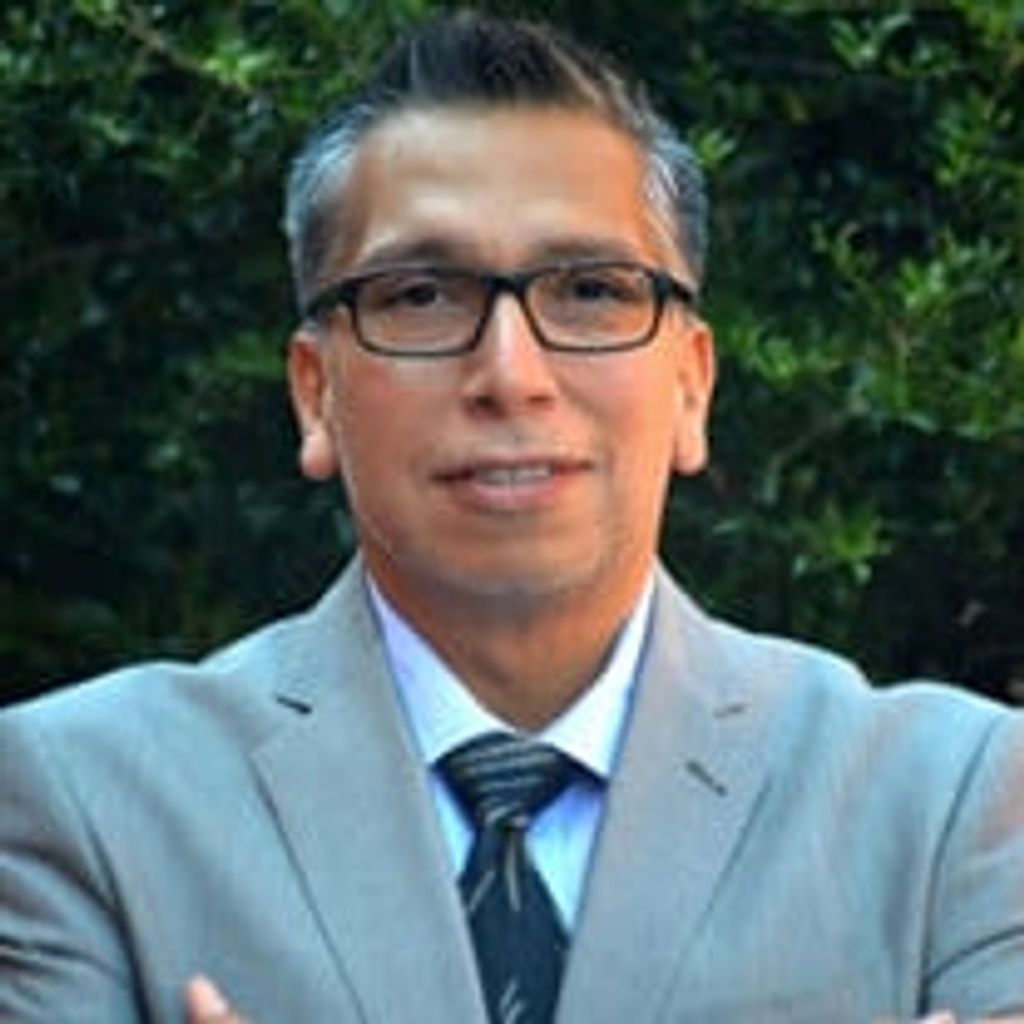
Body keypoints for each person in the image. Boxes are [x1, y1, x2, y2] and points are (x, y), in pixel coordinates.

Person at [1, 11, 1022, 1024]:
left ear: (690, 386)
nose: (510, 373)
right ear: (316, 394)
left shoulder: (952, 802)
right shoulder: (78, 798)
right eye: (420, 295)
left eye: (590, 290)